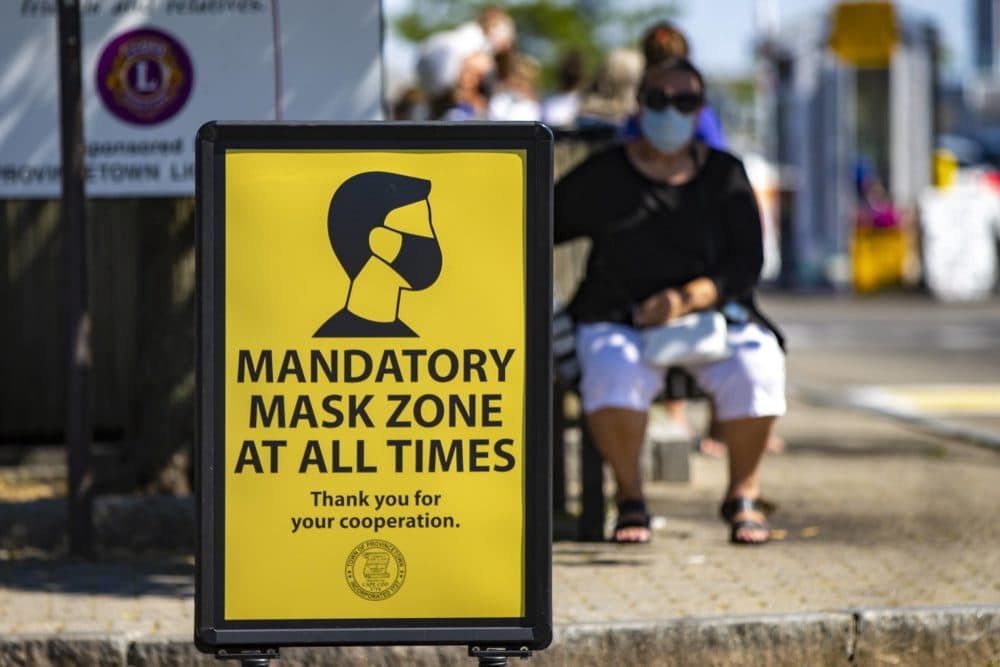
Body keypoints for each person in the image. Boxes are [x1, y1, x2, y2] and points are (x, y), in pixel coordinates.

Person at [554, 57, 786, 546]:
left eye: (685, 101)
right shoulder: (605, 176)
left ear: (700, 110)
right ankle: (630, 497)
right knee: (612, 368)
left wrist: (688, 299)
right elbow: (537, 221)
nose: (670, 111)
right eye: (659, 98)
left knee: (758, 364)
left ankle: (743, 492)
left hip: (709, 320)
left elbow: (747, 262)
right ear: (639, 104)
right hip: (619, 319)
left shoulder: (725, 174)